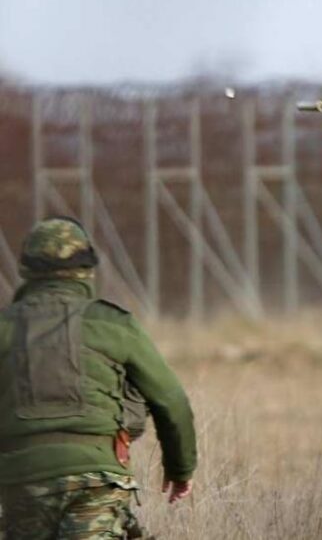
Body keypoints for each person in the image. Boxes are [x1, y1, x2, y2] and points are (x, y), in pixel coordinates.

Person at [0, 217, 197, 539]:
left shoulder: (4, 328)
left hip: (23, 480)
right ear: (87, 269)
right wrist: (180, 470)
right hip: (98, 481)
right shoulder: (114, 325)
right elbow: (171, 400)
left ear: (26, 268)